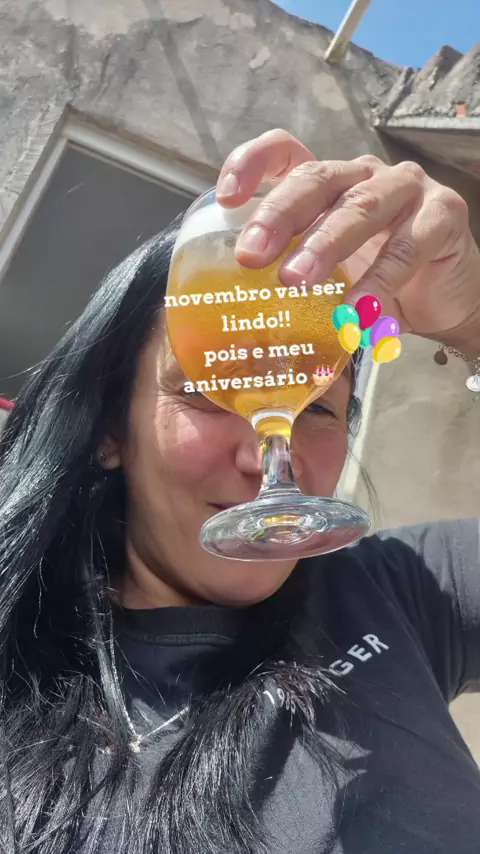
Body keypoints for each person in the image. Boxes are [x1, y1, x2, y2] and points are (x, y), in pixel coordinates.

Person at [0, 128, 479, 854]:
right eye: (206, 393)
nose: (265, 458)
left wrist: (474, 321)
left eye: (317, 407)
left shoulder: (401, 593)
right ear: (108, 429)